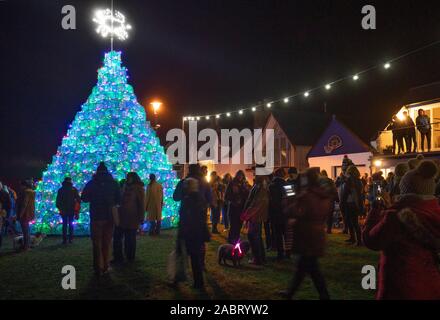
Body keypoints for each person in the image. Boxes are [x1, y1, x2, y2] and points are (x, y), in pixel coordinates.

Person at [363, 160, 440, 300]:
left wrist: (376, 209)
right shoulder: (434, 213)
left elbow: (371, 240)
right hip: (430, 284)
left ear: (405, 189)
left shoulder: (396, 217)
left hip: (400, 285)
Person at [281, 168, 331, 300]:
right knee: (308, 267)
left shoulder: (307, 196)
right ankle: (292, 292)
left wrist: (289, 200)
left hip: (306, 234)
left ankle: (292, 293)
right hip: (317, 234)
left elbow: (295, 211)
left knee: (307, 267)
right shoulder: (323, 195)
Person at [173, 164, 212, 289]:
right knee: (196, 251)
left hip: (186, 222)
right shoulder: (205, 183)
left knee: (180, 250)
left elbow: (175, 197)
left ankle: (177, 277)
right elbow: (210, 199)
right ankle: (198, 278)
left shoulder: (184, 182)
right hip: (199, 221)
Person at [81, 162, 121, 276]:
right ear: (107, 171)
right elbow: (119, 199)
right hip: (109, 217)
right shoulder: (114, 183)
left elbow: (84, 198)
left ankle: (98, 267)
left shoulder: (91, 183)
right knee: (107, 242)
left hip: (96, 217)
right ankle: (106, 266)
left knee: (96, 243)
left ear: (97, 172)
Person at [113, 172, 145, 263]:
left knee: (130, 238)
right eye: (127, 177)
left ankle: (130, 257)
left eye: (129, 177)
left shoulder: (138, 188)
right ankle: (118, 256)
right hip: (121, 216)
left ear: (134, 178)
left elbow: (141, 204)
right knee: (117, 237)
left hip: (132, 217)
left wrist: (141, 217)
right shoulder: (124, 186)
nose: (127, 179)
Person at [243, 174, 269, 266]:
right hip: (256, 215)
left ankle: (257, 259)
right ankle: (261, 257)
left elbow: (256, 203)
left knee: (253, 236)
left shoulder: (261, 186)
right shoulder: (259, 185)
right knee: (256, 236)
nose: (254, 174)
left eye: (255, 172)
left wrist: (247, 214)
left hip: (256, 216)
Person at [225, 170, 250, 244]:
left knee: (239, 227)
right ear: (236, 176)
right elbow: (227, 196)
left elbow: (247, 195)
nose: (240, 177)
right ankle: (230, 243)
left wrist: (246, 190)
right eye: (239, 175)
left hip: (241, 209)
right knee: (233, 227)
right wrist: (234, 199)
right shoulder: (232, 184)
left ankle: (236, 242)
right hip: (233, 209)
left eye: (241, 175)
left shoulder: (244, 184)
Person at [341, 165, 363, 246]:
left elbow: (348, 192)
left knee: (353, 222)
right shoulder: (358, 180)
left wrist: (342, 202)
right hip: (354, 203)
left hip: (350, 203)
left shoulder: (350, 180)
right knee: (352, 221)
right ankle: (353, 238)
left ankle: (358, 240)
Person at [269, 168, 287, 260]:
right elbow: (291, 197)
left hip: (274, 213)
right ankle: (288, 252)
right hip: (285, 212)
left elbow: (268, 199)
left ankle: (280, 253)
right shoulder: (287, 184)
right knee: (286, 233)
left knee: (277, 233)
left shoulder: (271, 185)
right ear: (282, 174)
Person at [56, 177, 81, 244]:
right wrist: (77, 207)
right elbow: (78, 199)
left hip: (63, 209)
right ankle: (71, 239)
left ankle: (64, 239)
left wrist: (59, 207)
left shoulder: (61, 190)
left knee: (64, 224)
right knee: (71, 224)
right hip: (71, 209)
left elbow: (58, 200)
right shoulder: (73, 189)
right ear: (70, 181)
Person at [15, 179, 35, 251]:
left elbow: (24, 204)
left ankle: (26, 246)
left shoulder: (25, 192)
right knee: (27, 230)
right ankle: (27, 245)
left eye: (21, 186)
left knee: (25, 231)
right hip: (29, 213)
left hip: (24, 214)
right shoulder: (32, 192)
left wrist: (20, 214)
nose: (20, 187)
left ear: (24, 185)